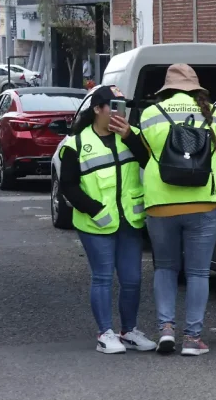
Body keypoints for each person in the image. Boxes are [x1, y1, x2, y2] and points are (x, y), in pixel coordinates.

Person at [138, 64, 216, 356]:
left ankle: (166, 329)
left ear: (167, 88)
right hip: (205, 199)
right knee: (199, 272)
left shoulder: (150, 115)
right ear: (196, 88)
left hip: (161, 201)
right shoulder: (215, 113)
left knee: (165, 267)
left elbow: (150, 152)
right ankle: (192, 338)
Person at [59, 85, 156, 354]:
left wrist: (129, 136)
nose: (119, 113)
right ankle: (105, 333)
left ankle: (128, 331)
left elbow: (150, 162)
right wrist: (96, 210)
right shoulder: (75, 144)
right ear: (97, 110)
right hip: (95, 223)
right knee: (102, 277)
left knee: (133, 279)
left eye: (123, 107)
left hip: (130, 220)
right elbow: (69, 186)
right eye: (113, 107)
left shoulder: (132, 135)